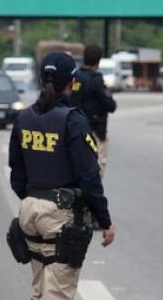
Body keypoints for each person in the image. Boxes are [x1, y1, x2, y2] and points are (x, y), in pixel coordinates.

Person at [8, 52, 116, 300]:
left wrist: (35, 199)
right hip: (60, 216)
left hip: (30, 211)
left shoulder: (23, 118)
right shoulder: (73, 120)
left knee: (41, 291)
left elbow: (17, 173)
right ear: (72, 82)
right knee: (57, 295)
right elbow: (90, 177)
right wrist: (105, 220)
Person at [69, 45, 117, 178]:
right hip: (95, 131)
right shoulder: (96, 78)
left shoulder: (75, 77)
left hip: (75, 130)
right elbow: (110, 105)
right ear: (98, 61)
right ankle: (94, 195)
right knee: (98, 165)